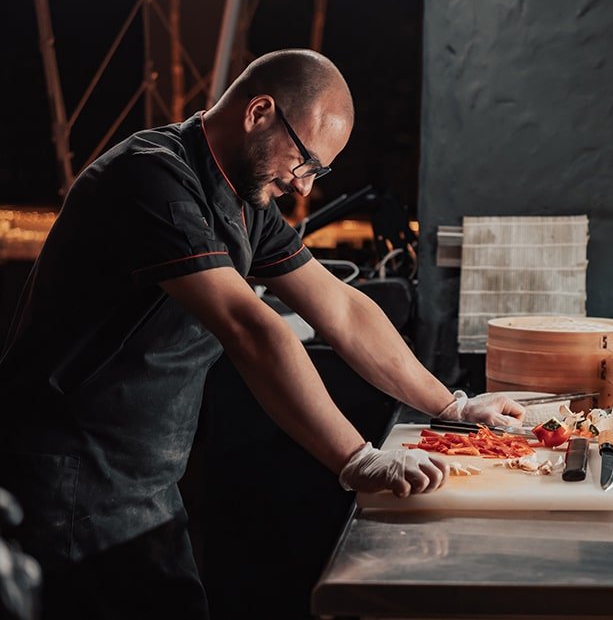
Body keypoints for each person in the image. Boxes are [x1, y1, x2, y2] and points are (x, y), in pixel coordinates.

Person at [0, 49, 524, 619]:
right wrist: (357, 459)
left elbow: (342, 308)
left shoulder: (244, 199)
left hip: (142, 480)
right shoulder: (149, 177)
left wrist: (452, 406)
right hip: (67, 480)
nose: (302, 187)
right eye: (304, 164)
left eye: (316, 174)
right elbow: (251, 328)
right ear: (259, 113)